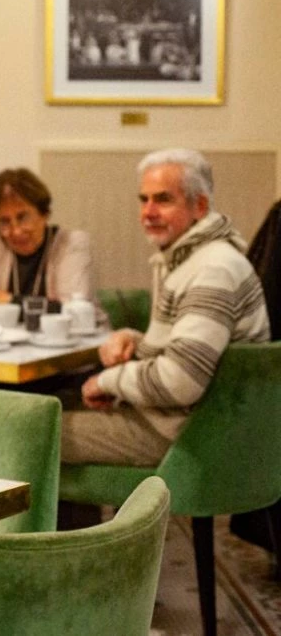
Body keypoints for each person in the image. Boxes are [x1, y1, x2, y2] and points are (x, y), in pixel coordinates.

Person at [62, 148, 269, 466]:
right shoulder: (190, 258)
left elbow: (180, 381)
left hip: (189, 437)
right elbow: (187, 352)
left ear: (199, 205)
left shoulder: (213, 269)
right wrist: (136, 341)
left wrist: (108, 380)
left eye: (163, 199)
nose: (148, 212)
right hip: (191, 424)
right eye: (143, 200)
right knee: (53, 409)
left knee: (32, 429)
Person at [0, 168, 93, 322]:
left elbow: (73, 314)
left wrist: (7, 301)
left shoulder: (72, 244)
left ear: (44, 214)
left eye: (23, 217)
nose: (16, 231)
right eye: (4, 222)